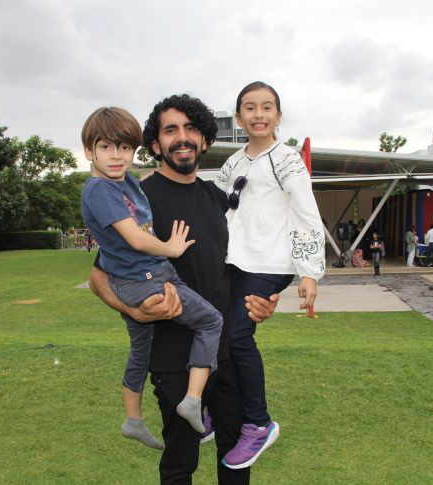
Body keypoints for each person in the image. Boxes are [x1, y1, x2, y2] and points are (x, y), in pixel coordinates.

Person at [88, 93, 280, 484]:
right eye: (170, 130)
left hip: (225, 351)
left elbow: (244, 265)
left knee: (235, 459)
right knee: (180, 463)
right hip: (173, 355)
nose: (182, 137)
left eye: (191, 129)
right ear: (155, 144)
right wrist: (134, 311)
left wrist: (264, 299)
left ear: (205, 140)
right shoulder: (138, 199)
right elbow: (99, 278)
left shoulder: (219, 200)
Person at [80, 107, 223, 449]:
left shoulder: (127, 183)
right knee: (211, 322)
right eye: (105, 147)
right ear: (89, 152)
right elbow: (131, 240)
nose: (116, 156)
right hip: (147, 278)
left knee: (139, 353)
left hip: (139, 277)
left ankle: (133, 420)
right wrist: (169, 248)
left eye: (125, 148)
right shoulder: (101, 190)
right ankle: (193, 401)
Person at [214, 81, 326, 469]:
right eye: (249, 107)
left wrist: (308, 274)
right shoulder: (234, 162)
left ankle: (259, 424)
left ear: (278, 115)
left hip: (270, 264)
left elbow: (307, 214)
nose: (258, 114)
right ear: (239, 116)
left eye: (266, 107)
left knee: (239, 336)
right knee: (214, 329)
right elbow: (218, 204)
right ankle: (215, 407)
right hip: (234, 261)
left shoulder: (289, 159)